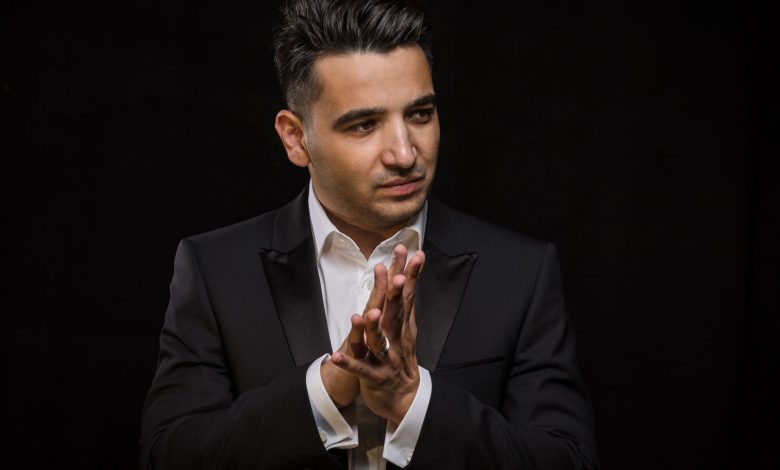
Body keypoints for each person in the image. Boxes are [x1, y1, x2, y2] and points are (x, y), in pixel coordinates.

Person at [139, 0, 598, 468]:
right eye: (364, 125)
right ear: (295, 138)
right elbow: (166, 455)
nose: (405, 154)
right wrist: (327, 389)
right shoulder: (215, 269)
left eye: (420, 114)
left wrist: (413, 402)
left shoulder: (520, 272)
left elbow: (570, 460)